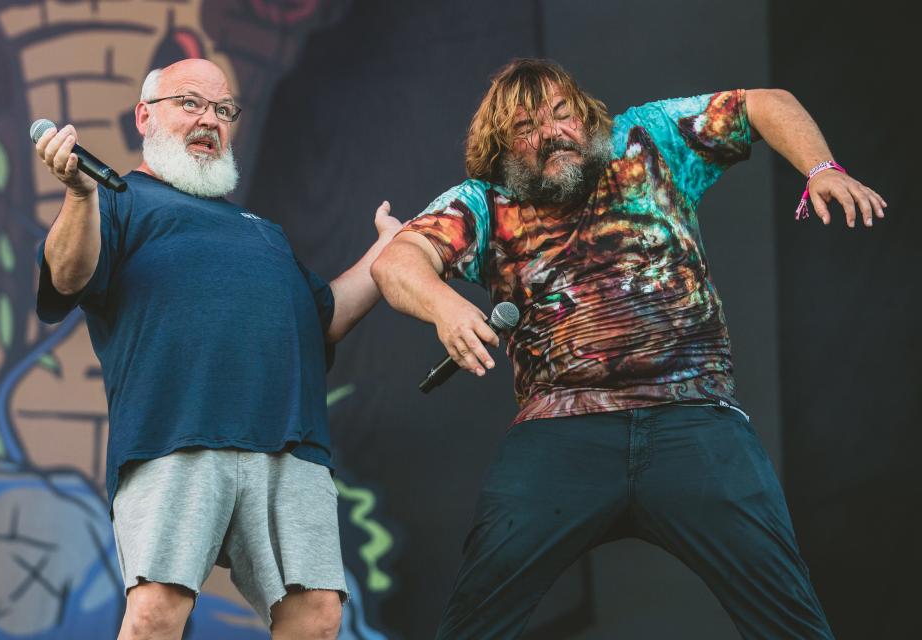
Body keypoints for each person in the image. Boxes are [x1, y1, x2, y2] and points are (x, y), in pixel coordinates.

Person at [371, 58, 886, 639]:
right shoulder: (486, 201)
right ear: (502, 146)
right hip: (563, 430)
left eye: (561, 114)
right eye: (526, 129)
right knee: (475, 622)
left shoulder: (649, 140)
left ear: (585, 114)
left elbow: (764, 103)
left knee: (791, 621)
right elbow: (397, 261)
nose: (551, 135)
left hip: (694, 417)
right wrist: (445, 306)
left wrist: (820, 168)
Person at [34, 58, 400, 640]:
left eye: (223, 110)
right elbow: (67, 276)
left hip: (289, 442)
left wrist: (391, 251)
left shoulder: (260, 228)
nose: (209, 119)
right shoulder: (118, 200)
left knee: (317, 617)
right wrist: (80, 196)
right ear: (144, 115)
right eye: (190, 103)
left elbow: (322, 320)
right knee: (156, 614)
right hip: (175, 435)